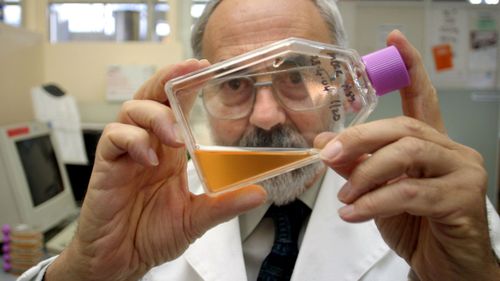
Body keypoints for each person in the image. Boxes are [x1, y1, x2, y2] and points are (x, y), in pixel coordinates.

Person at [20, 0, 500, 280]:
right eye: (234, 83)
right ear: (200, 96)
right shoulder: (148, 204)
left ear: (341, 85)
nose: (267, 116)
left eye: (296, 76)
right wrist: (83, 269)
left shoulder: (433, 205)